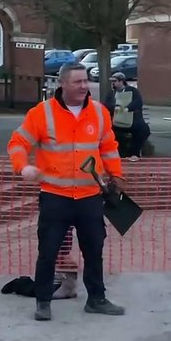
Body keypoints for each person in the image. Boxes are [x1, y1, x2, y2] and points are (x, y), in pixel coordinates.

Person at [7, 61, 126, 322]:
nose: (84, 86)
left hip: (89, 197)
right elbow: (17, 142)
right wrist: (22, 167)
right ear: (62, 84)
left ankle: (96, 298)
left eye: (85, 80)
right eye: (77, 81)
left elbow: (109, 147)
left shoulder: (99, 113)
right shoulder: (41, 113)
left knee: (94, 249)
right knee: (48, 251)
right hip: (55, 196)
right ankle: (43, 302)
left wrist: (116, 175)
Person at [101, 73, 149, 160]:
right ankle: (118, 154)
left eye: (115, 81)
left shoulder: (132, 91)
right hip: (116, 121)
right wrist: (114, 107)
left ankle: (134, 154)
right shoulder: (111, 94)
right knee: (111, 132)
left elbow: (138, 102)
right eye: (112, 82)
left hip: (131, 121)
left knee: (143, 130)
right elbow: (106, 105)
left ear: (121, 81)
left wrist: (127, 108)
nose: (113, 83)